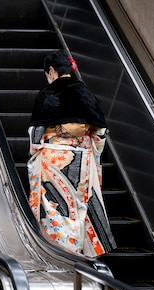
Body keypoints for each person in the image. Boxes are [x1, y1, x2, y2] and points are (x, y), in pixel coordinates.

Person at [27, 50, 116, 257]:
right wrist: (91, 152)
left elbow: (36, 132)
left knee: (54, 207)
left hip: (53, 159)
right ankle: (79, 250)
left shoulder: (47, 94)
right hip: (82, 158)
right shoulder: (86, 93)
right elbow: (100, 132)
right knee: (78, 206)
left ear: (51, 71)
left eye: (47, 73)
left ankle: (59, 251)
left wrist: (35, 154)